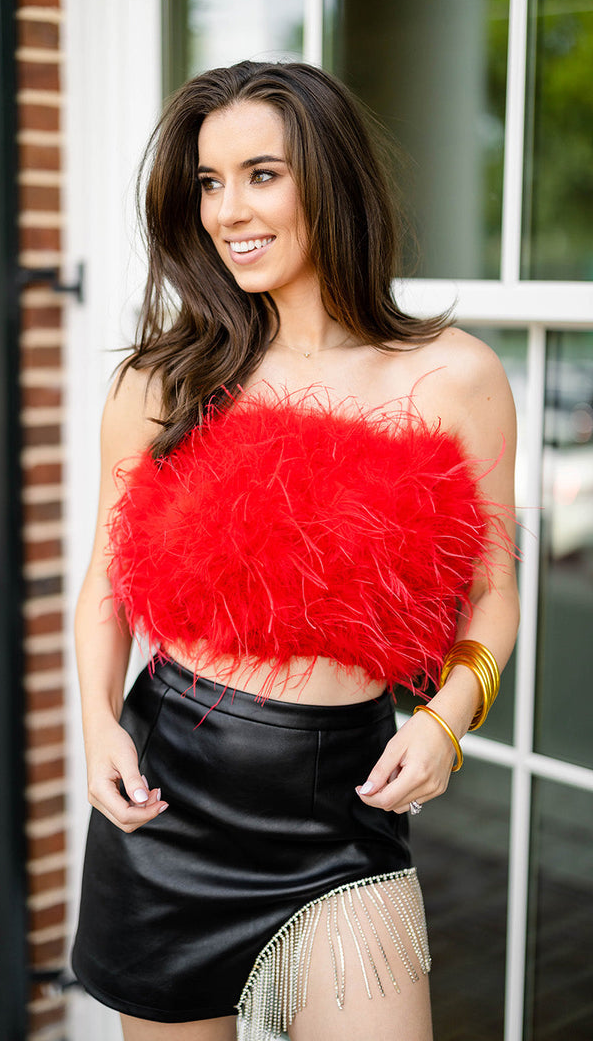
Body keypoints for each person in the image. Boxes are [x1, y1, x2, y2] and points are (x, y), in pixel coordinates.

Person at [71, 61, 519, 1041]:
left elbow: (495, 595)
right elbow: (108, 583)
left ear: (331, 179)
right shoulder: (163, 382)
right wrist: (99, 726)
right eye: (208, 181)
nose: (230, 209)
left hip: (341, 816)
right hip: (167, 801)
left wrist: (447, 720)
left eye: (262, 173)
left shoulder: (455, 377)